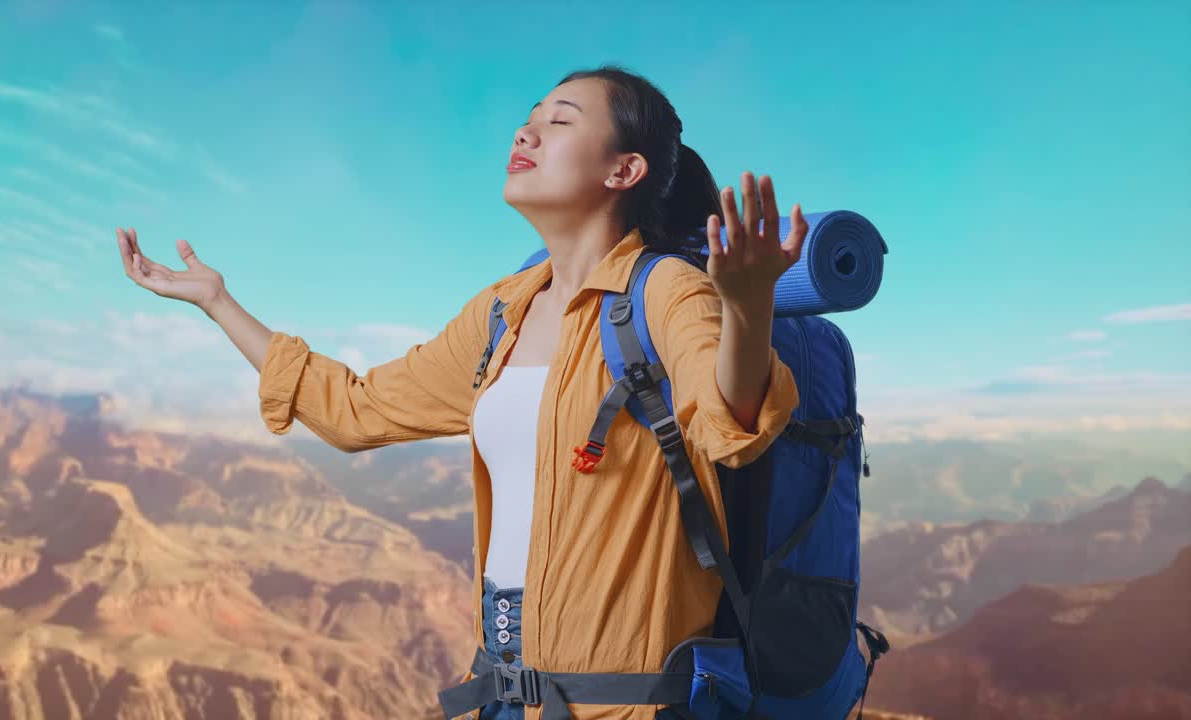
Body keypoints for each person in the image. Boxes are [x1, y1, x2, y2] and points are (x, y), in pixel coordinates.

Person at [116, 64, 803, 720]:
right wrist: (219, 303)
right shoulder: (501, 313)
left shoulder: (665, 293)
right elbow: (357, 410)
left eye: (559, 122)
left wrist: (745, 309)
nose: (524, 134)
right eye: (528, 120)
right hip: (503, 694)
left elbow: (730, 425)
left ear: (623, 170)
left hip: (625, 704)